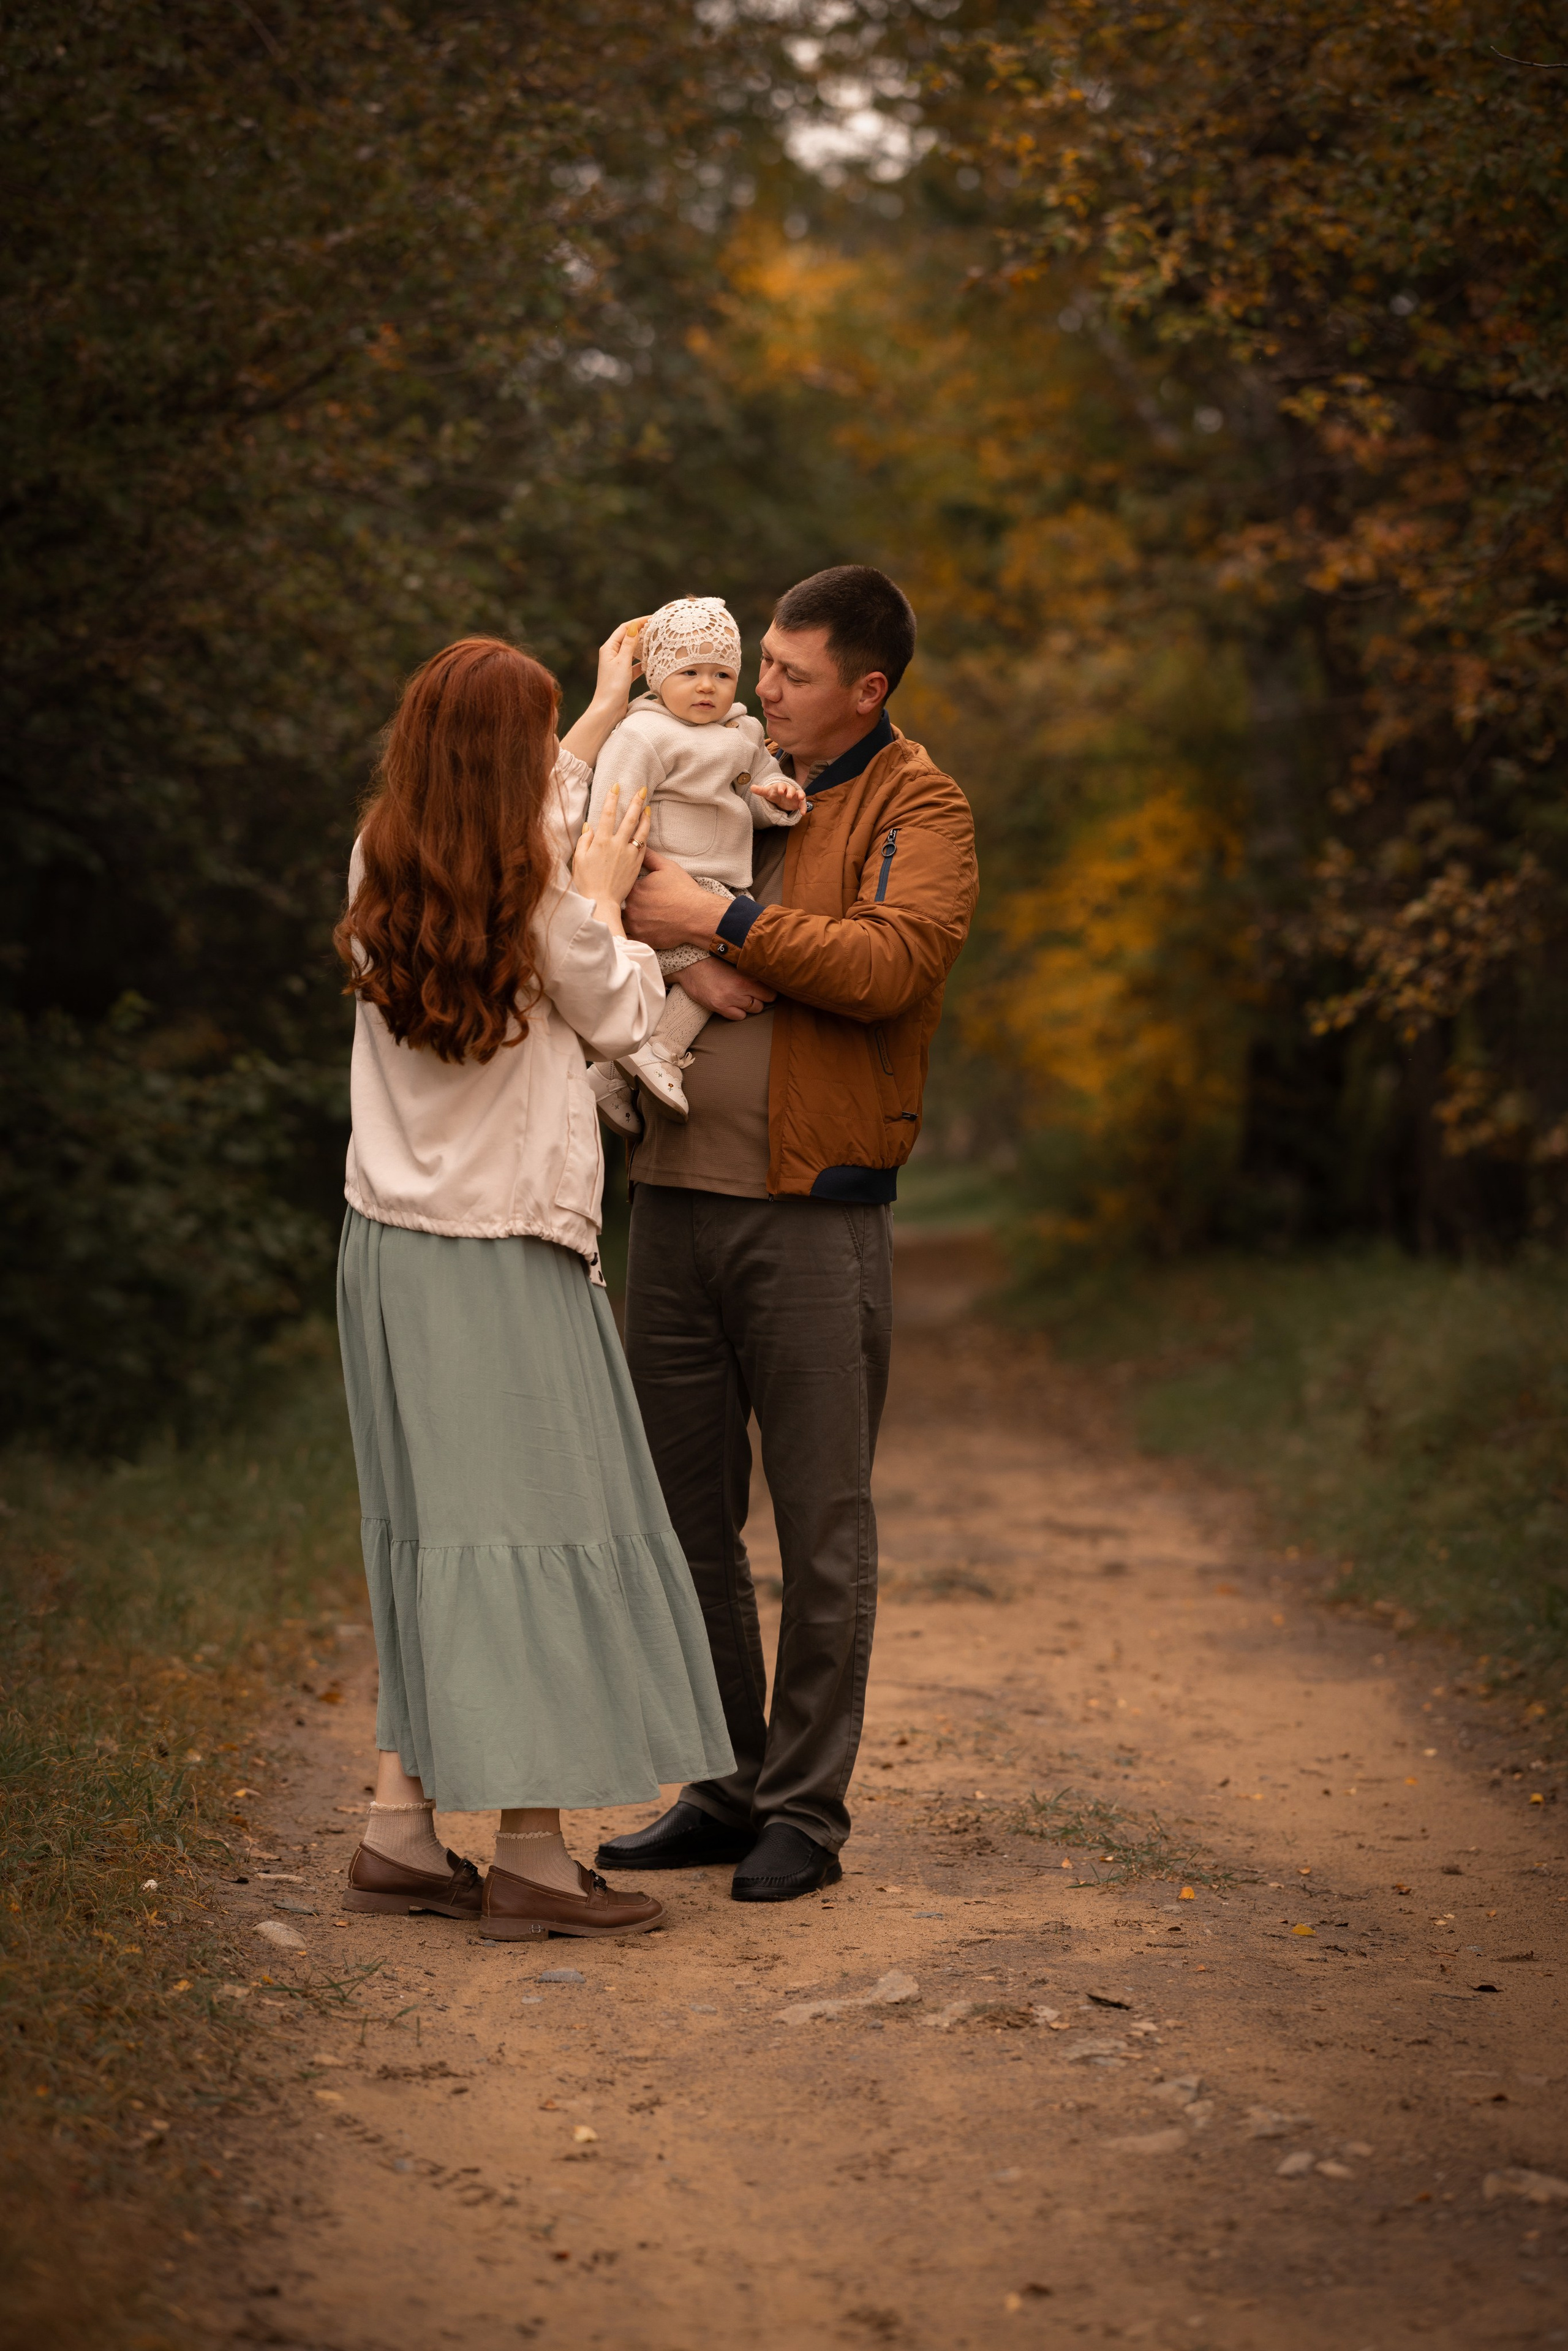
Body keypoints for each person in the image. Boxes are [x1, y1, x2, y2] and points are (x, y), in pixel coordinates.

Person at [332, 630, 734, 1943]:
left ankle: (399, 1825)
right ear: (517, 762)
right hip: (502, 1246)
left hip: (386, 1247)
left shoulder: (383, 859)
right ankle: (533, 1860)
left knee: (432, 1530)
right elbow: (622, 1011)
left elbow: (527, 815)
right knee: (534, 1531)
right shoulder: (552, 895)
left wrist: (609, 704)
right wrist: (612, 898)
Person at [594, 565, 978, 1902]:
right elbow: (599, 870)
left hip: (813, 1209)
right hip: (674, 1195)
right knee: (683, 1516)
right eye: (758, 662)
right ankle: (722, 1779)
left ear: (864, 690)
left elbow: (888, 965)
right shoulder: (714, 757)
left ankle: (803, 1813)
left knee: (822, 1525)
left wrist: (723, 916)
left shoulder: (914, 802)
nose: (758, 687)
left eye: (790, 673)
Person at [581, 596, 805, 1134]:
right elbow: (610, 806)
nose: (707, 687)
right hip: (664, 874)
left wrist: (779, 798)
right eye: (690, 673)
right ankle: (658, 1048)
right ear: (658, 678)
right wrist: (621, 874)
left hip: (724, 883)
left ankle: (610, 1076)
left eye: (722, 673)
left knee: (746, 956)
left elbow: (754, 797)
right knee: (727, 964)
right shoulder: (643, 733)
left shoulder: (744, 734)